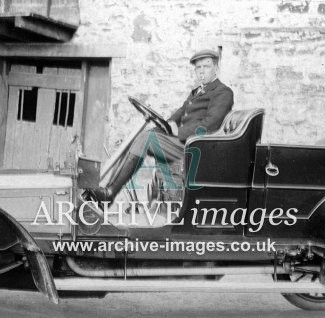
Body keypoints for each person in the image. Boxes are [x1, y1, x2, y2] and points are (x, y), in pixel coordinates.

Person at [88, 49, 234, 205]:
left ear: (216, 68)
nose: (201, 71)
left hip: (196, 147)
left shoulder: (223, 92)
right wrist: (169, 123)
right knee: (147, 134)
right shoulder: (197, 92)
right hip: (186, 142)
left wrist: (180, 131)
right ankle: (107, 191)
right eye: (198, 68)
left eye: (206, 66)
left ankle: (109, 193)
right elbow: (181, 112)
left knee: (146, 139)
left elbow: (210, 125)